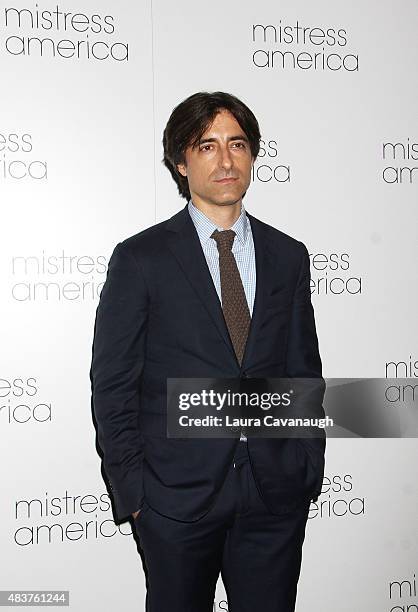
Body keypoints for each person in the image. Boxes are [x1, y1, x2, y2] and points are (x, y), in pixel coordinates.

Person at [90, 91, 326, 612]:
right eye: (206, 146)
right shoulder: (141, 258)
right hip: (174, 500)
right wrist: (136, 496)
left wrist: (307, 465)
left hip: (275, 493)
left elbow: (302, 371)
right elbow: (113, 385)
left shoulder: (288, 255)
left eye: (237, 144)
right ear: (181, 162)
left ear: (252, 155)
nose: (225, 160)